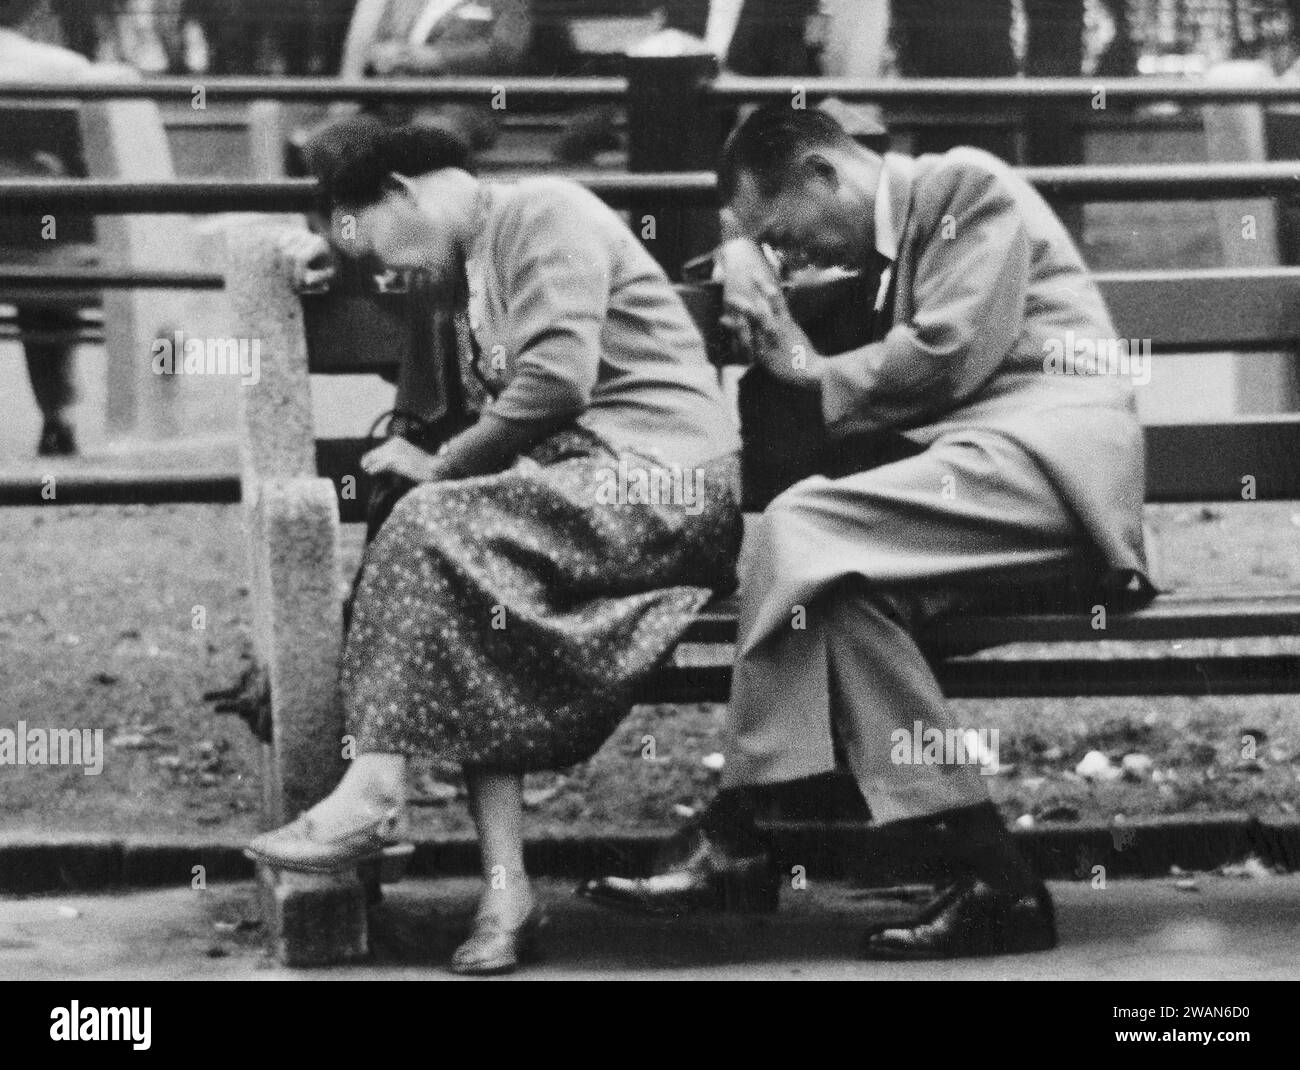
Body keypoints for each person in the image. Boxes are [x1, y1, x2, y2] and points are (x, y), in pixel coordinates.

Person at [578, 105, 1154, 960]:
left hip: (1047, 467)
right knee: (837, 605)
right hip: (975, 492)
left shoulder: (966, 186)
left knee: (799, 523)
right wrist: (741, 251)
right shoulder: (883, 241)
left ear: (824, 175)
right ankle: (995, 880)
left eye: (785, 234)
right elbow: (772, 270)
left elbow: (944, 356)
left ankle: (742, 828)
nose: (792, 258)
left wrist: (802, 366)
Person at [245, 116, 743, 975]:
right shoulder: (458, 272)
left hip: (663, 485)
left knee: (434, 520)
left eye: (375, 249)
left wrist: (439, 464)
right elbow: (387, 283)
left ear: (402, 193)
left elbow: (555, 381)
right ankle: (506, 889)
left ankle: (372, 789)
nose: (382, 278)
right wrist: (308, 254)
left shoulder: (545, 210)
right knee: (465, 582)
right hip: (566, 506)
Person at [0, 0, 133, 455]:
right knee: (46, 260)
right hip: (50, 246)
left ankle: (57, 414)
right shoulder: (67, 70)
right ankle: (57, 415)